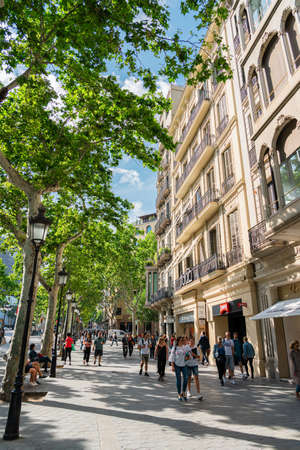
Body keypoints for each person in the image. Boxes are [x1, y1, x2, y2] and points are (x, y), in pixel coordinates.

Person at [170, 336, 189, 401]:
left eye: (183, 340)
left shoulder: (185, 347)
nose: (182, 341)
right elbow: (172, 357)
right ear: (178, 341)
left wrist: (187, 357)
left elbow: (187, 354)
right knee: (179, 380)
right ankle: (179, 394)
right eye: (181, 340)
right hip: (177, 365)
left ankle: (183, 392)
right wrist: (172, 366)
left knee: (186, 378)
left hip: (184, 365)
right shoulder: (175, 348)